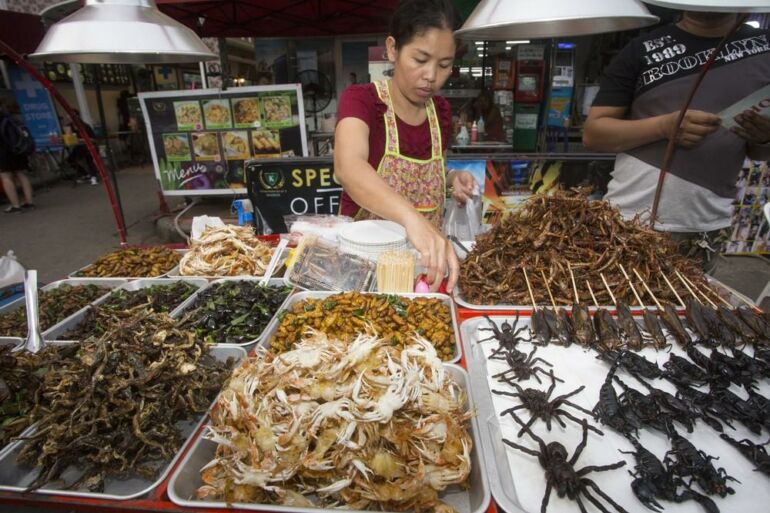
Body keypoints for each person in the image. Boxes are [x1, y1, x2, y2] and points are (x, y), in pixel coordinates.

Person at [583, 11, 770, 272]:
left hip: (705, 223)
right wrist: (663, 126)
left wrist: (763, 137)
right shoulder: (642, 49)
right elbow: (594, 133)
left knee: (691, 309)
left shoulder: (763, 47)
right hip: (629, 218)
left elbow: (759, 152)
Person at [335, 0, 475, 292]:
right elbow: (348, 167)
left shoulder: (441, 111)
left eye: (445, 65)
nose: (431, 76)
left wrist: (451, 180)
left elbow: (432, 170)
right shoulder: (362, 101)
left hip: (425, 272)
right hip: (363, 273)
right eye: (420, 59)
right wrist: (413, 220)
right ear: (392, 49)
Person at [0, 104, 34, 213]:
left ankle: (15, 205)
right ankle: (29, 202)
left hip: (3, 152)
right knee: (22, 174)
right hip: (19, 150)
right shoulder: (10, 118)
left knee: (6, 177)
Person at [65, 110, 99, 185]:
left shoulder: (85, 126)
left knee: (89, 157)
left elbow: (93, 139)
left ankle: (94, 176)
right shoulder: (69, 126)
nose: (68, 118)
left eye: (70, 116)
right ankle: (85, 174)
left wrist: (82, 139)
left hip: (89, 146)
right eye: (68, 117)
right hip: (79, 147)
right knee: (70, 159)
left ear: (76, 116)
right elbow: (68, 137)